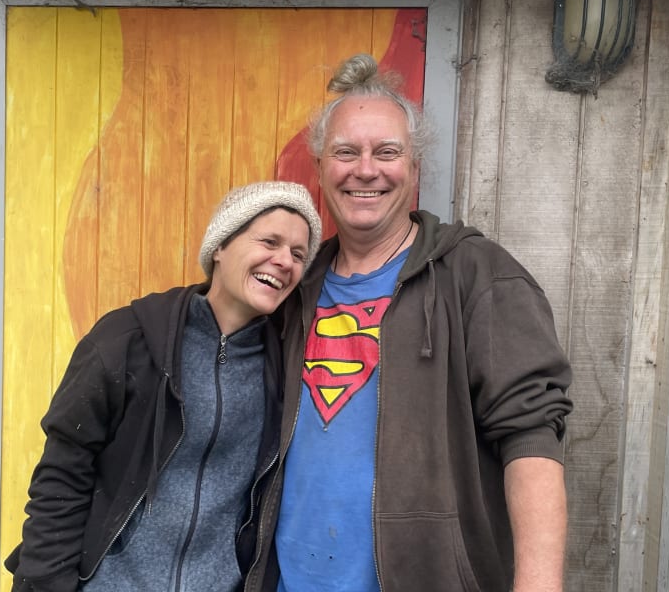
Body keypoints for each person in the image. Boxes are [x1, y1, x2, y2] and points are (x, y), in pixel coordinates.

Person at [244, 55, 574, 592]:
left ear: (414, 168)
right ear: (321, 168)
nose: (366, 169)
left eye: (387, 152)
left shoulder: (477, 275)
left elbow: (532, 439)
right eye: (346, 152)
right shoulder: (293, 289)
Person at [5, 181, 323, 592]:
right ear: (221, 246)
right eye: (270, 241)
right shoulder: (128, 340)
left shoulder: (284, 368)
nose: (284, 261)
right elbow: (62, 476)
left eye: (299, 254)